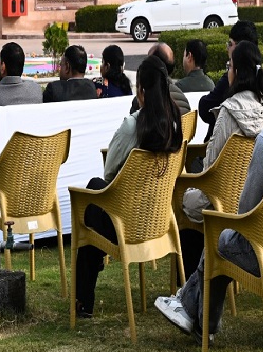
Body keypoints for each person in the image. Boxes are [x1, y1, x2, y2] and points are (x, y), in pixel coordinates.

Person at [160, 47, 263, 335]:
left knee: (218, 237)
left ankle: (199, 318)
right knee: (222, 237)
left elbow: (244, 212)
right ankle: (194, 313)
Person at [63, 58, 194, 317]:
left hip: (124, 223)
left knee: (92, 193)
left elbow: (109, 172)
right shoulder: (176, 127)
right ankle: (85, 292)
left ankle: (83, 300)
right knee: (95, 194)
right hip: (160, 219)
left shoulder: (132, 126)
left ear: (141, 91)